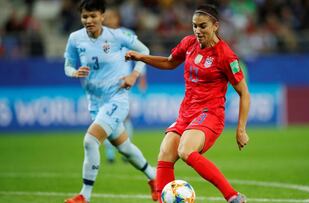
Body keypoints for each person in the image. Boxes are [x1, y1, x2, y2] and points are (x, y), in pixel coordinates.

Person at [125, 4, 250, 203]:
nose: (198, 31)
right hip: (186, 113)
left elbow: (244, 93)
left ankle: (233, 196)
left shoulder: (226, 55)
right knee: (165, 151)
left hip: (210, 114)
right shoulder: (188, 43)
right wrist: (141, 57)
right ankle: (162, 200)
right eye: (194, 26)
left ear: (215, 26)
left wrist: (241, 129)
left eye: (203, 26)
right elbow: (169, 62)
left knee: (185, 150)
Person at [63, 0, 157, 202]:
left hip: (117, 97)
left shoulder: (116, 36)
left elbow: (145, 51)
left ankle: (84, 196)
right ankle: (154, 177)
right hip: (94, 102)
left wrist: (134, 75)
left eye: (93, 16)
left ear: (102, 16)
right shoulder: (75, 38)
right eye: (85, 16)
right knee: (124, 147)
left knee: (90, 141)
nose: (88, 20)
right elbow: (68, 65)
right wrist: (74, 72)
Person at [102, 7, 147, 164]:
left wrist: (141, 76)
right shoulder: (99, 36)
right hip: (104, 84)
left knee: (125, 117)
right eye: (106, 17)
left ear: (117, 18)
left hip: (124, 83)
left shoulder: (126, 34)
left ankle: (126, 150)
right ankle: (110, 153)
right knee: (107, 118)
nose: (108, 20)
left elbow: (140, 54)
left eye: (111, 17)